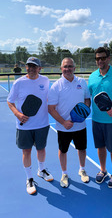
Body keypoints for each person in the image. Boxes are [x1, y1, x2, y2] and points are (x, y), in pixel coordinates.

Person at [7, 57, 53, 195]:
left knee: (41, 149)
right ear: (26, 67)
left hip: (42, 124)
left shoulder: (45, 80)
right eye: (29, 66)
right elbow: (10, 101)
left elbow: (48, 99)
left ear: (39, 68)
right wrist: (18, 114)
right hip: (24, 126)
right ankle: (29, 178)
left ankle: (41, 170)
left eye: (34, 66)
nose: (31, 68)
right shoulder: (18, 83)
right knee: (26, 151)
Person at [88, 47, 112, 188]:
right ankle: (103, 170)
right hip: (96, 120)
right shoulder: (92, 76)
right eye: (97, 58)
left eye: (103, 58)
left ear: (108, 59)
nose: (100, 60)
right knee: (100, 147)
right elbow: (90, 96)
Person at [48, 57, 91, 188]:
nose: (67, 69)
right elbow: (51, 108)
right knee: (63, 150)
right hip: (63, 127)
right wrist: (63, 122)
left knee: (82, 149)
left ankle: (82, 169)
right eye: (65, 67)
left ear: (74, 68)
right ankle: (64, 173)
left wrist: (84, 111)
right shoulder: (56, 86)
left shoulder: (82, 82)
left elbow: (87, 99)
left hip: (80, 126)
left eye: (70, 66)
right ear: (61, 69)